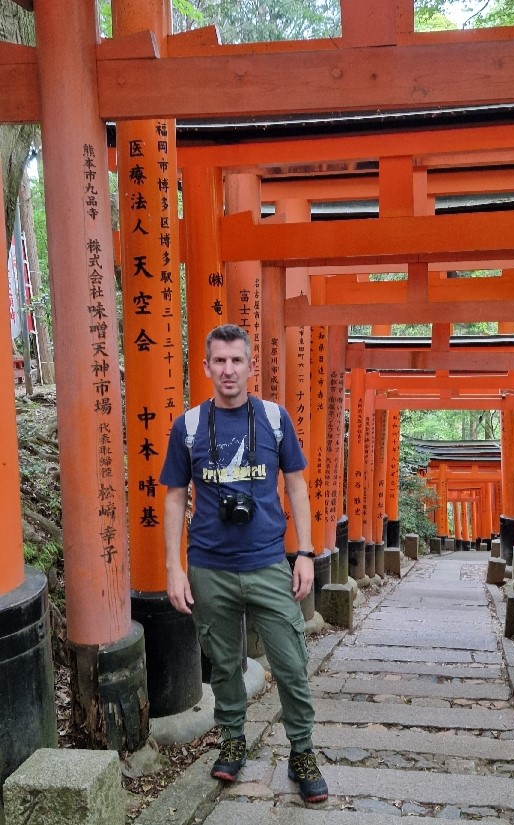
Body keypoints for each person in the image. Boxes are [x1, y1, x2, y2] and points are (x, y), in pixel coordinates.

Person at [160, 323, 328, 803]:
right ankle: (232, 738)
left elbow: (296, 486)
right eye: (220, 361)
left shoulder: (275, 419)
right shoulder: (189, 426)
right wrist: (174, 568)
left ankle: (302, 750)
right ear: (207, 366)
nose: (229, 369)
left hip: (268, 562)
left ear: (251, 366)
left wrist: (306, 553)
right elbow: (174, 498)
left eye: (237, 361)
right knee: (224, 662)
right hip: (210, 566)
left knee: (291, 661)